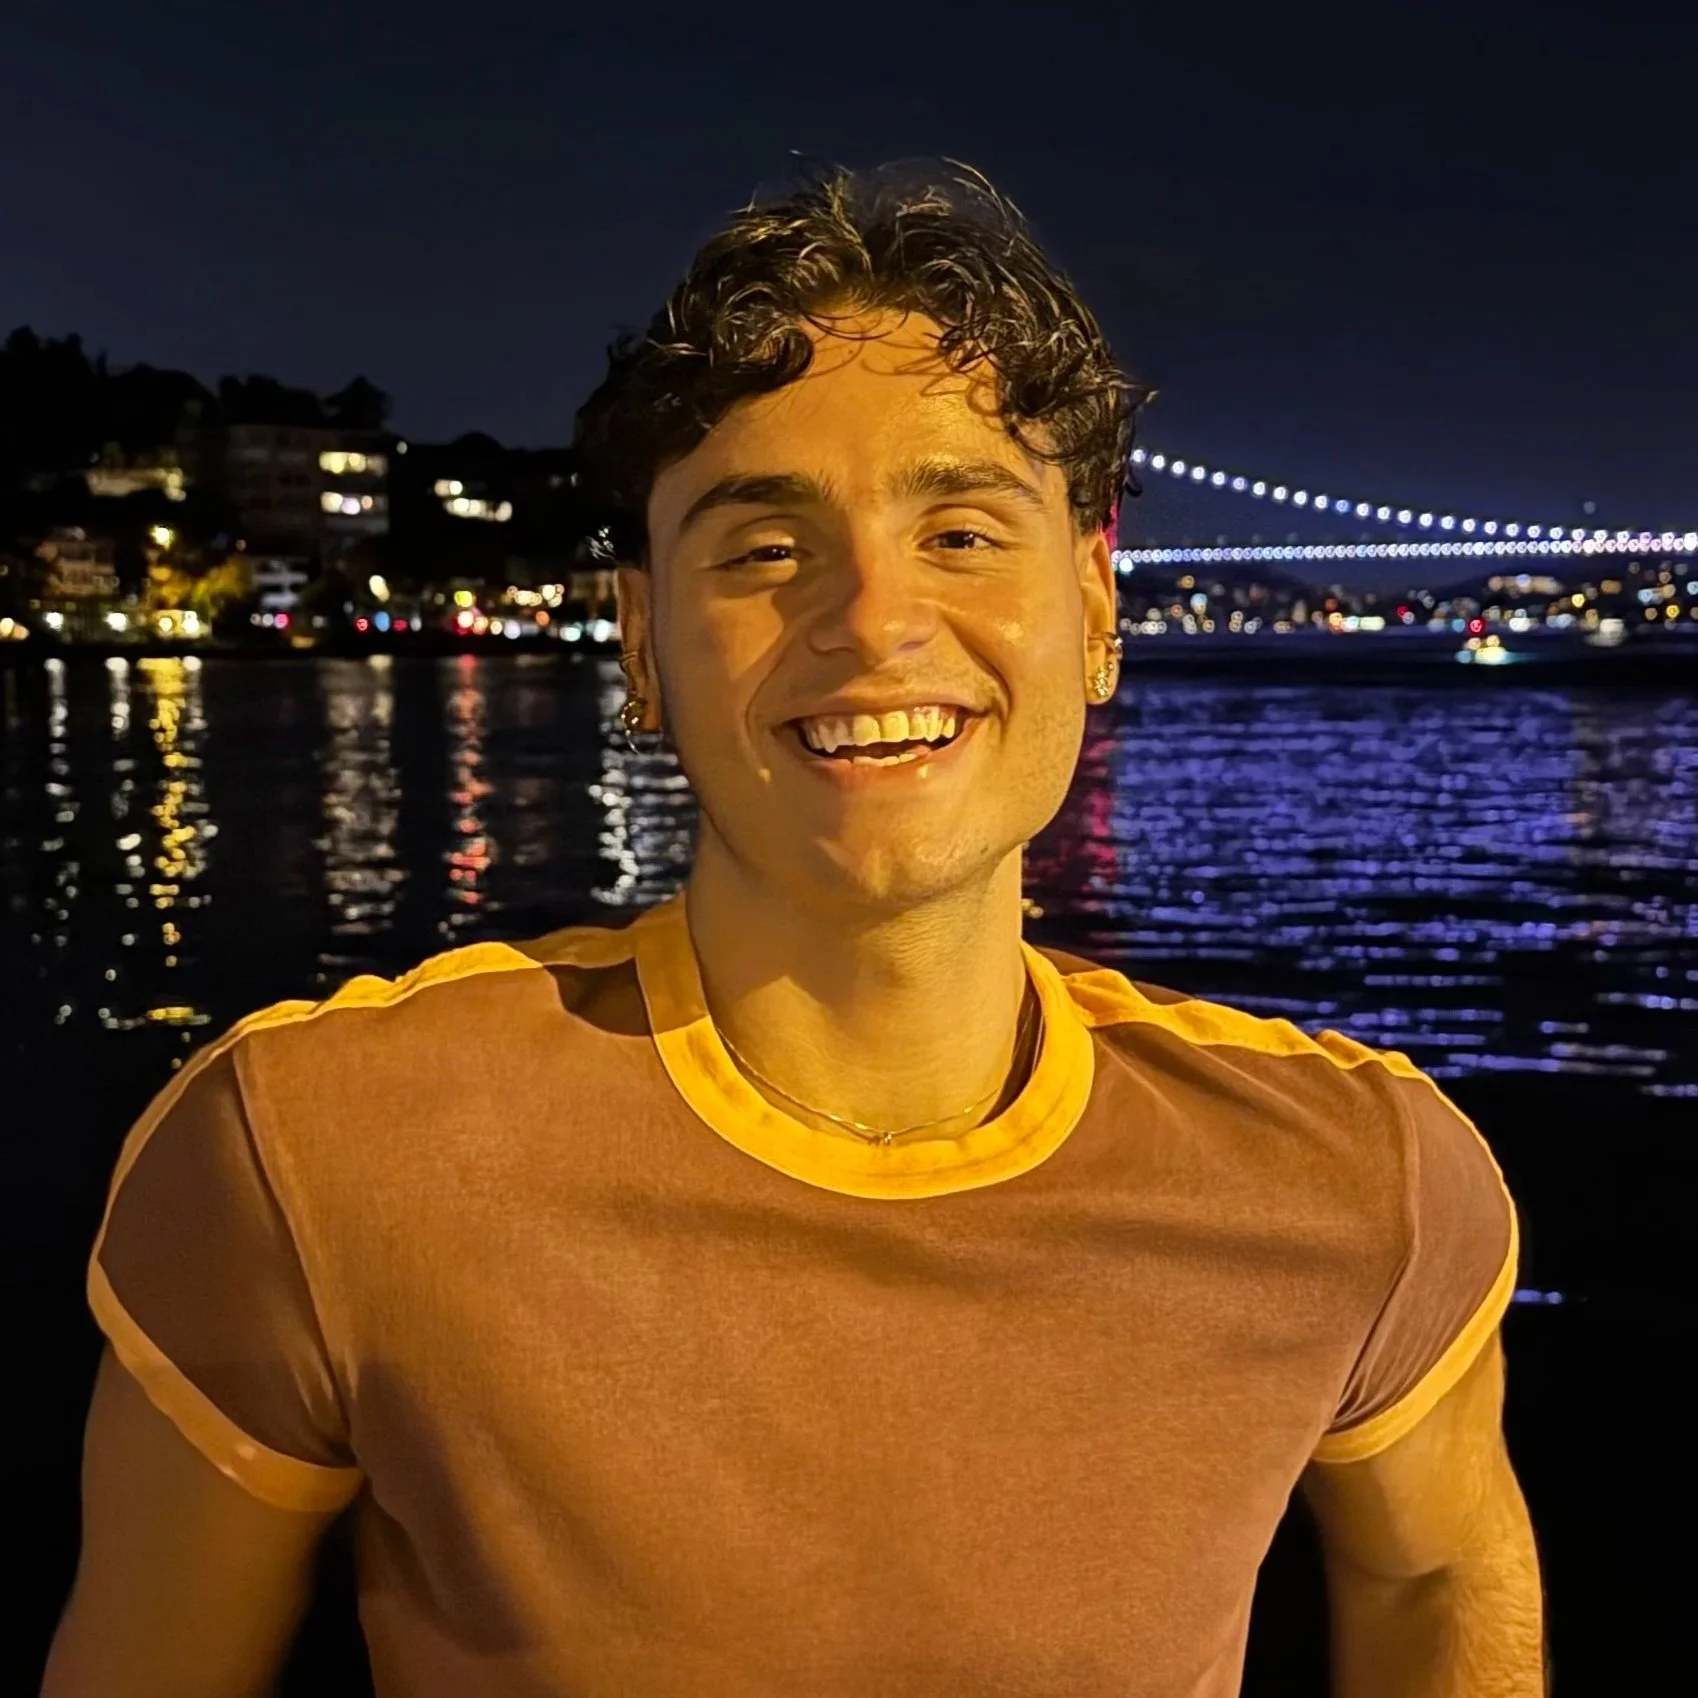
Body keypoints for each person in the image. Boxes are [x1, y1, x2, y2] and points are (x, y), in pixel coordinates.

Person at [43, 161, 1544, 1698]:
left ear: (1095, 609)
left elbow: (1436, 1569)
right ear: (642, 640)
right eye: (764, 550)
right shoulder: (309, 1157)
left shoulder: (1357, 1181)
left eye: (962, 534)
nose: (872, 619)